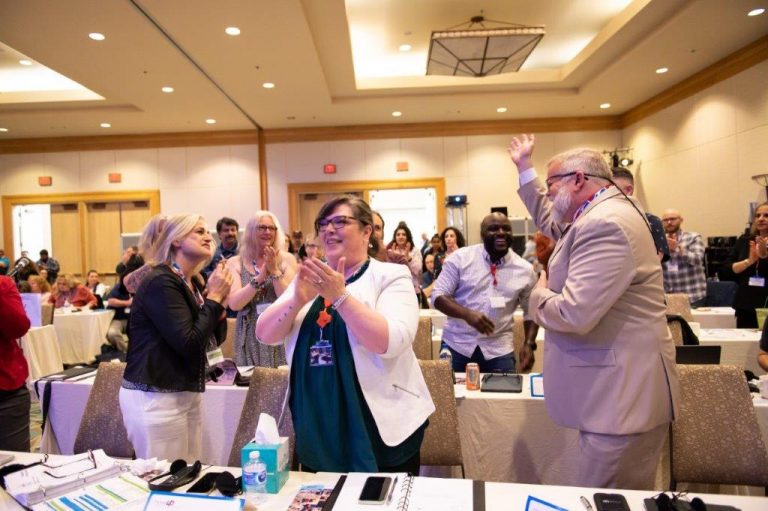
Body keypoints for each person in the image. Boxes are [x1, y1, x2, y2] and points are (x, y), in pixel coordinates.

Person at [508, 134, 678, 490]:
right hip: (617, 396)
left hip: (621, 401)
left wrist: (537, 295)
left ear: (579, 180)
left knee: (611, 498)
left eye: (551, 184)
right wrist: (525, 169)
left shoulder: (605, 224)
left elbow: (574, 313)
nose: (549, 194)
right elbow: (550, 219)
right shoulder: (598, 211)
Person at [255, 195, 434, 474]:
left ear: (367, 231)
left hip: (378, 420)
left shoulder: (391, 275)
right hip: (318, 421)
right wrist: (296, 300)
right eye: (323, 223)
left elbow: (389, 342)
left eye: (340, 221)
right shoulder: (310, 277)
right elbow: (265, 334)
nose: (329, 229)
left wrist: (340, 297)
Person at [119, 214, 232, 461]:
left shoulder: (191, 281)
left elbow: (214, 338)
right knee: (164, 482)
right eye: (199, 231)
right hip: (156, 395)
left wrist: (219, 302)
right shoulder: (161, 280)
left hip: (184, 391)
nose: (207, 237)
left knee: (187, 476)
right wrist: (213, 299)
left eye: (207, 232)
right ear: (177, 240)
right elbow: (188, 342)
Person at [432, 213, 538, 373]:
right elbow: (438, 296)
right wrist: (467, 314)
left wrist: (529, 344)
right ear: (482, 234)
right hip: (457, 345)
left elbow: (531, 312)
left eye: (506, 229)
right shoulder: (460, 259)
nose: (501, 232)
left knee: (503, 397)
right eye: (493, 229)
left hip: (499, 350)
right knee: (450, 397)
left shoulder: (524, 270)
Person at [227, 212, 297, 367]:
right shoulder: (234, 262)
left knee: (281, 382)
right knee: (248, 385)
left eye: (272, 228)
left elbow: (290, 300)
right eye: (262, 227)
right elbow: (234, 304)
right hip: (248, 331)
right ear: (251, 230)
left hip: (279, 326)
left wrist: (274, 272)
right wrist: (259, 278)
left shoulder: (287, 259)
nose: (267, 232)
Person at [0, 275, 32, 451]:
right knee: (15, 470)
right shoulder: (2, 285)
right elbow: (18, 327)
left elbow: (18, 327)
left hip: (6, 389)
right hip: (6, 389)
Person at [611, 167, 670, 262]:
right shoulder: (600, 219)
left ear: (629, 190)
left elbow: (657, 258)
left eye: (612, 189)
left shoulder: (651, 221)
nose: (606, 194)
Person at [725, 202, 768, 328]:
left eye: (766, 215)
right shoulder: (745, 240)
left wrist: (764, 254)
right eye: (758, 215)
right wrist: (748, 261)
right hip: (746, 303)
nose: (761, 219)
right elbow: (725, 270)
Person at [661, 209, 707, 307]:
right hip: (669, 297)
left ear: (681, 220)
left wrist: (677, 249)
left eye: (673, 219)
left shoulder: (693, 237)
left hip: (692, 296)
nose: (669, 222)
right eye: (665, 220)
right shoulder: (659, 240)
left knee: (693, 323)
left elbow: (697, 260)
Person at [124, 214, 167, 294]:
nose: (166, 235)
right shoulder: (138, 257)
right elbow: (128, 284)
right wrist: (152, 264)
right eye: (161, 231)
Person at [386, 222, 423, 298]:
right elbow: (388, 272)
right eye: (398, 234)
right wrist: (393, 258)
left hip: (413, 289)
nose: (401, 237)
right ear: (395, 237)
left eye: (404, 234)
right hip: (395, 289)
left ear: (408, 237)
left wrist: (409, 259)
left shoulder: (415, 251)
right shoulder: (390, 252)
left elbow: (418, 271)